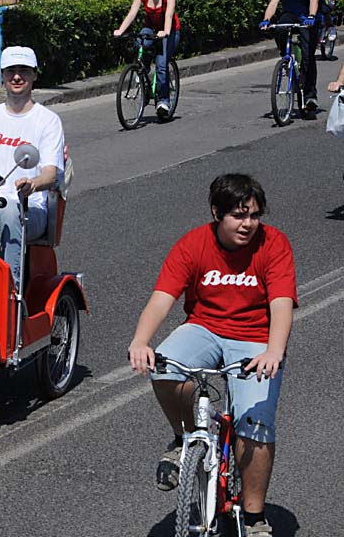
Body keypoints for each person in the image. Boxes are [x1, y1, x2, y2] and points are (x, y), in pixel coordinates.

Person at [128, 174, 296, 537]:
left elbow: (281, 303)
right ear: (216, 214)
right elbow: (162, 298)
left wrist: (274, 351)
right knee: (165, 367)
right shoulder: (193, 244)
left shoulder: (274, 244)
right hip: (205, 329)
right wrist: (141, 341)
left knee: (255, 425)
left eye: (253, 215)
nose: (247, 224)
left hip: (255, 339)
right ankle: (182, 437)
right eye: (238, 215)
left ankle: (253, 517)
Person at [0, 46, 65, 290]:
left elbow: (50, 173)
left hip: (30, 208)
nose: (17, 77)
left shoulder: (47, 120)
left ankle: (9, 293)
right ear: (2, 76)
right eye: (11, 71)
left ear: (34, 75)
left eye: (24, 71)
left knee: (8, 214)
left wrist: (32, 185)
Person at [113, 0, 181, 119]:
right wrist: (120, 30)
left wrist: (165, 32)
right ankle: (142, 72)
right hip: (151, 28)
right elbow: (131, 14)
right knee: (140, 42)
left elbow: (169, 16)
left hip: (169, 31)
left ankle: (163, 101)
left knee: (162, 66)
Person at [260, 0, 323, 113]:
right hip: (291, 14)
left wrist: (311, 16)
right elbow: (274, 2)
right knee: (280, 28)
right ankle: (285, 57)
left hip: (309, 17)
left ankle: (310, 95)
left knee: (308, 57)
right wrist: (266, 20)